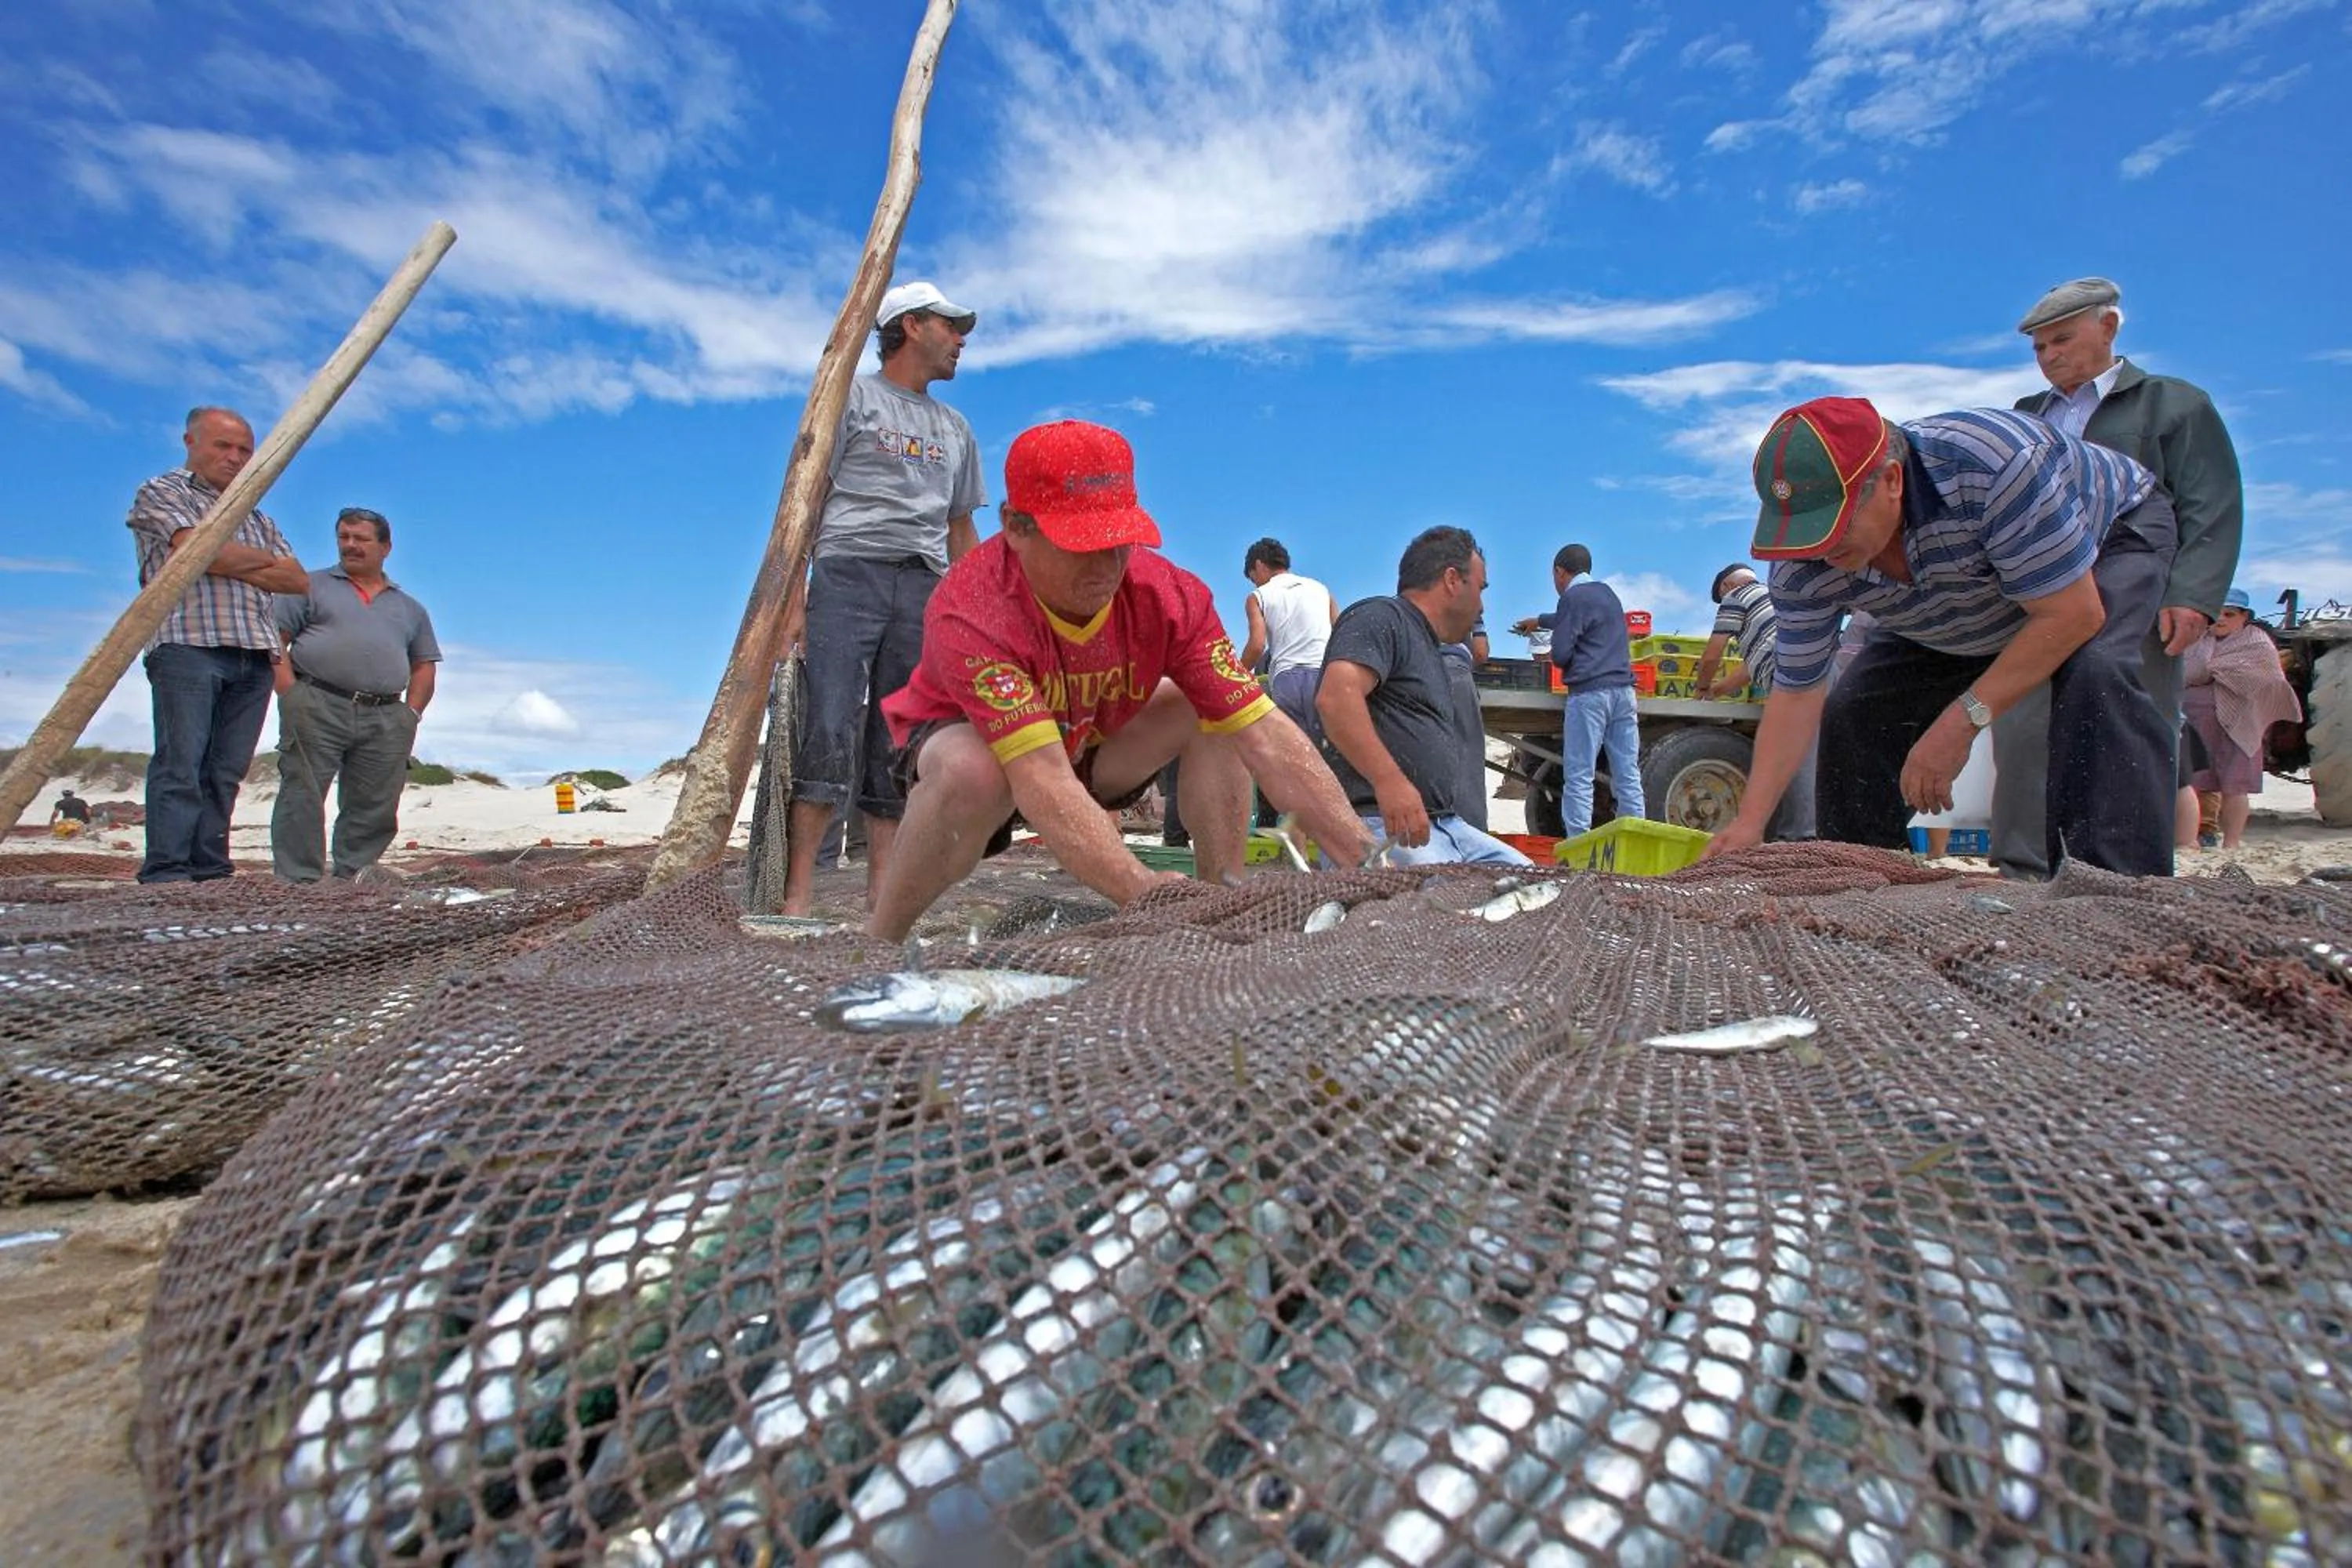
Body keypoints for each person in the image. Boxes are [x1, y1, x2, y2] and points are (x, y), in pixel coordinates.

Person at [867, 421, 1374, 941]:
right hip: (979, 752)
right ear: (1016, 527)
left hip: (1087, 744)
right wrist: (1147, 893)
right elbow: (1040, 777)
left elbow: (1266, 736)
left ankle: (1224, 908)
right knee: (974, 771)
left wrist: (1367, 860)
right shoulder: (973, 607)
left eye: (1119, 541)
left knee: (1219, 710)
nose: (1107, 566)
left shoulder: (1172, 597)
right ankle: (881, 937)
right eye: (1082, 544)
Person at [1703, 397, 2173, 875]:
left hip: (2099, 546)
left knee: (2097, 671)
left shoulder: (1997, 466)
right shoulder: (1803, 562)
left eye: (1835, 525)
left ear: (1890, 480)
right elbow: (1796, 694)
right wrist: (1750, 823)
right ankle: (1860, 875)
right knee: (1855, 712)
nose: (1821, 549)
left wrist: (1961, 721)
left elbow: (2072, 616)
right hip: (1967, 594)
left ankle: (2115, 882)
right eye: (1806, 533)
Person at [1991, 277, 2244, 879]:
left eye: (2062, 339)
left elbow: (2210, 505)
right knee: (2023, 717)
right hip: (2043, 590)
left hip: (2137, 590)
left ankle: (2126, 871)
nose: (2050, 355)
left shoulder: (2173, 404)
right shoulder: (2028, 418)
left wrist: (2193, 594)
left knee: (2127, 712)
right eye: (2039, 347)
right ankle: (2025, 868)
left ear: (2108, 328)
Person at [779, 280, 986, 916]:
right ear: (912, 325)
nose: (960, 340)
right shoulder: (851, 397)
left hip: (923, 585)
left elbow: (959, 529)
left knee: (898, 744)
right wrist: (793, 602)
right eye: (951, 326)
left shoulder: (955, 427)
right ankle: (798, 897)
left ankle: (880, 901)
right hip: (848, 573)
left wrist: (980, 610)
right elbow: (806, 498)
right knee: (829, 723)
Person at [126, 406, 310, 884]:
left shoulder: (257, 517)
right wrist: (220, 556)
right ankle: (167, 869)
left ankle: (210, 867)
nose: (234, 458)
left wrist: (218, 556)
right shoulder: (163, 491)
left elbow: (294, 579)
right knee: (180, 763)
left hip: (252, 650)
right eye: (223, 446)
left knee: (225, 770)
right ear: (191, 442)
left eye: (243, 451)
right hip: (189, 644)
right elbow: (191, 548)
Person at [1317, 527, 1530, 866]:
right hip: (1379, 825)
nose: (1482, 605)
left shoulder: (1432, 649)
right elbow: (1336, 697)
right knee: (1439, 908)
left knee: (1531, 883)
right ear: (1452, 580)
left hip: (1446, 826)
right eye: (1480, 588)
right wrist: (1389, 783)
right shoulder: (1381, 616)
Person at [269, 506, 442, 882]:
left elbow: (425, 664)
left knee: (376, 801)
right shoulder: (307, 585)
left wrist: (410, 714)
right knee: (303, 792)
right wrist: (290, 693)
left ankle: (354, 877)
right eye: (344, 538)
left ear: (386, 547)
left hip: (386, 714)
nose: (351, 546)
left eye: (361, 539)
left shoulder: (410, 608)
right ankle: (299, 881)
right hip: (317, 702)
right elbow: (273, 641)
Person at [1512, 545, 1644, 838]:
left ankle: (1578, 848)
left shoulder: (1572, 597)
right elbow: (1582, 618)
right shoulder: (1608, 594)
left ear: (1559, 571)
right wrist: (1540, 621)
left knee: (1580, 775)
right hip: (1624, 693)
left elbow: (1559, 654)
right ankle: (1634, 842)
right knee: (1627, 774)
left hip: (1590, 695)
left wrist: (1559, 638)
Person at [1697, 561, 1813, 840]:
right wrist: (1717, 691)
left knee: (1791, 755)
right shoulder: (1773, 595)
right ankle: (1808, 831)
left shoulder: (1735, 596)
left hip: (1790, 677)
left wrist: (1701, 688)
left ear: (1726, 586)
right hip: (1816, 666)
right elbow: (1751, 668)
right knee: (1810, 752)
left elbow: (1713, 654)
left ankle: (1799, 837)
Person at [2183, 587, 2301, 849]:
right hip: (2197, 725)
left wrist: (2212, 670)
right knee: (2191, 784)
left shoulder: (2257, 643)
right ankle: (2189, 840)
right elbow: (2185, 672)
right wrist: (2212, 671)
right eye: (2216, 613)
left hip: (2241, 726)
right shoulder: (2195, 641)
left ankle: (2232, 844)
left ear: (2244, 616)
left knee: (2235, 787)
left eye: (2229, 614)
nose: (2221, 619)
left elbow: (2266, 678)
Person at [1239, 538, 1338, 739]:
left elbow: (1257, 646)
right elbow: (1341, 632)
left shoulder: (1258, 596)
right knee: (1330, 752)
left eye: (1252, 577)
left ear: (1258, 565)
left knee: (1297, 754)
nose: (1255, 582)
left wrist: (1236, 677)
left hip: (1287, 680)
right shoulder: (1321, 589)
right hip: (1325, 677)